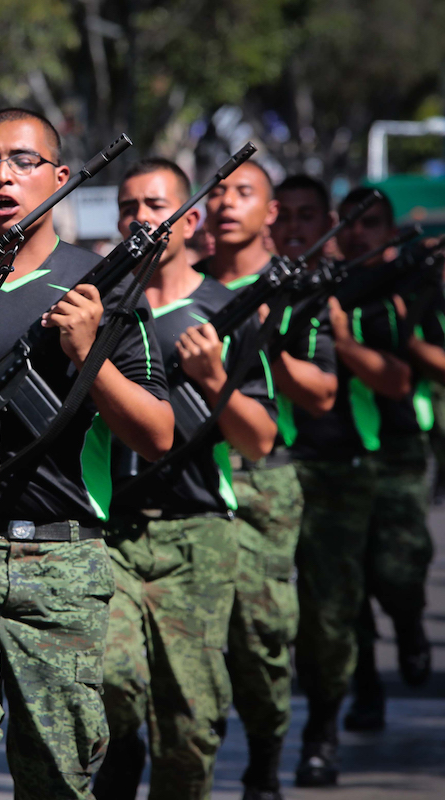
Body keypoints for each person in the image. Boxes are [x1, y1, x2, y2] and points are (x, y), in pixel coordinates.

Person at [0, 108, 173, 800]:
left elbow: (156, 432)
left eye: (24, 161)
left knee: (56, 774)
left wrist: (90, 355)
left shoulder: (103, 284)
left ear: (58, 178)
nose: (4, 175)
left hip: (61, 558)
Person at [96, 158, 278, 800]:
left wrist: (211, 376)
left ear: (189, 218)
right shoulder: (99, 309)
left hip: (196, 532)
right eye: (128, 208)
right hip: (110, 533)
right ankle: (120, 753)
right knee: (110, 680)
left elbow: (259, 439)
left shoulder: (227, 307)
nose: (139, 219)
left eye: (154, 205)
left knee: (189, 723)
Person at [291, 187, 437, 786]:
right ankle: (357, 697)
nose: (356, 233)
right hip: (324, 460)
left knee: (396, 573)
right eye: (348, 223)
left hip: (394, 449)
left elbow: (405, 376)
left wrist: (346, 341)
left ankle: (406, 624)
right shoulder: (307, 286)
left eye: (368, 223)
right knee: (337, 601)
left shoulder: (409, 287)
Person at [201, 166, 339, 800]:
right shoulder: (179, 281)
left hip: (261, 479)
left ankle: (264, 762)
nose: (227, 204)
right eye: (219, 192)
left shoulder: (295, 288)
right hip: (183, 478)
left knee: (260, 639)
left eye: (244, 193)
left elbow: (323, 392)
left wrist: (266, 341)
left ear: (273, 213)